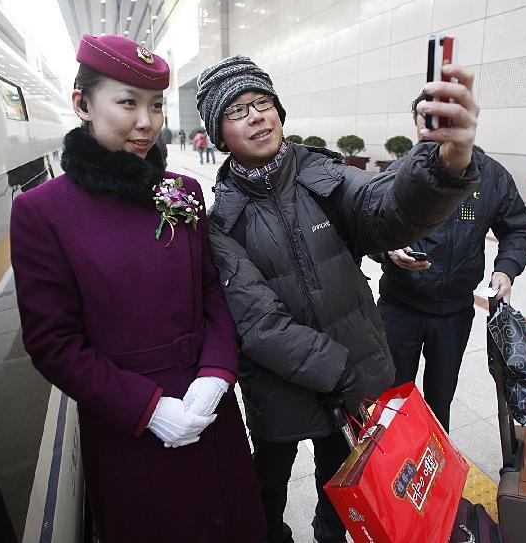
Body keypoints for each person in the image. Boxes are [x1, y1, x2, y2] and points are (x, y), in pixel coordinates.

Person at [197, 55, 481, 543]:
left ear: (280, 112)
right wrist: (338, 370)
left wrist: (443, 162)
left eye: (263, 103)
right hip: (281, 388)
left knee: (343, 478)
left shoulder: (324, 175)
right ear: (220, 135)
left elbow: (384, 209)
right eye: (238, 110)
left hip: (351, 378)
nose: (257, 116)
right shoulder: (220, 219)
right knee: (268, 484)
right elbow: (258, 322)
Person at [10, 34, 265, 543]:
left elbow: (211, 290)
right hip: (130, 428)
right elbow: (53, 343)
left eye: (155, 105)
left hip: (209, 411)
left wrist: (216, 375)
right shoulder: (41, 212)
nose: (147, 122)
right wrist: (147, 410)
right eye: (127, 103)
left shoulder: (180, 192)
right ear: (82, 103)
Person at [372, 94, 526, 432]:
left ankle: (434, 469)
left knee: (439, 398)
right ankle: (391, 471)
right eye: (425, 118)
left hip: (453, 314)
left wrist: (506, 268)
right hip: (399, 308)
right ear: (416, 125)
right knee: (391, 395)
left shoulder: (490, 176)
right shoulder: (398, 173)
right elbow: (369, 227)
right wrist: (388, 251)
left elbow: (517, 227)